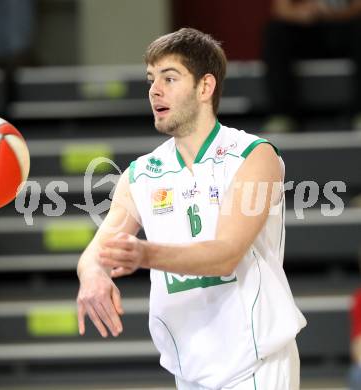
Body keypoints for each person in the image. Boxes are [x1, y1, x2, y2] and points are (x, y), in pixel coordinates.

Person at [77, 28, 307, 390]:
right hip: (190, 366)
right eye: (151, 79)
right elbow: (97, 252)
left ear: (205, 87)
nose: (155, 91)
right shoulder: (141, 174)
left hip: (256, 361)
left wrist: (144, 254)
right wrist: (92, 274)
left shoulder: (252, 155)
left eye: (170, 78)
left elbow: (225, 255)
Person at [262, 0, 361, 132]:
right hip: (307, 31)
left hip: (344, 28)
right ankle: (283, 114)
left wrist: (335, 14)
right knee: (275, 30)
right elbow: (281, 9)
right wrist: (302, 13)